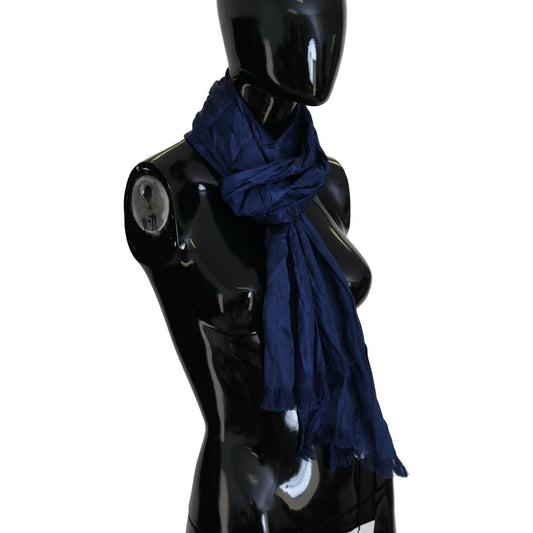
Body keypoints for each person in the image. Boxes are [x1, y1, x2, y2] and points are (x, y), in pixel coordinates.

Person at [124, 1, 399, 531]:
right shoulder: (170, 191)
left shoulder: (326, 181)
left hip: (360, 476)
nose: (320, 24)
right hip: (255, 498)